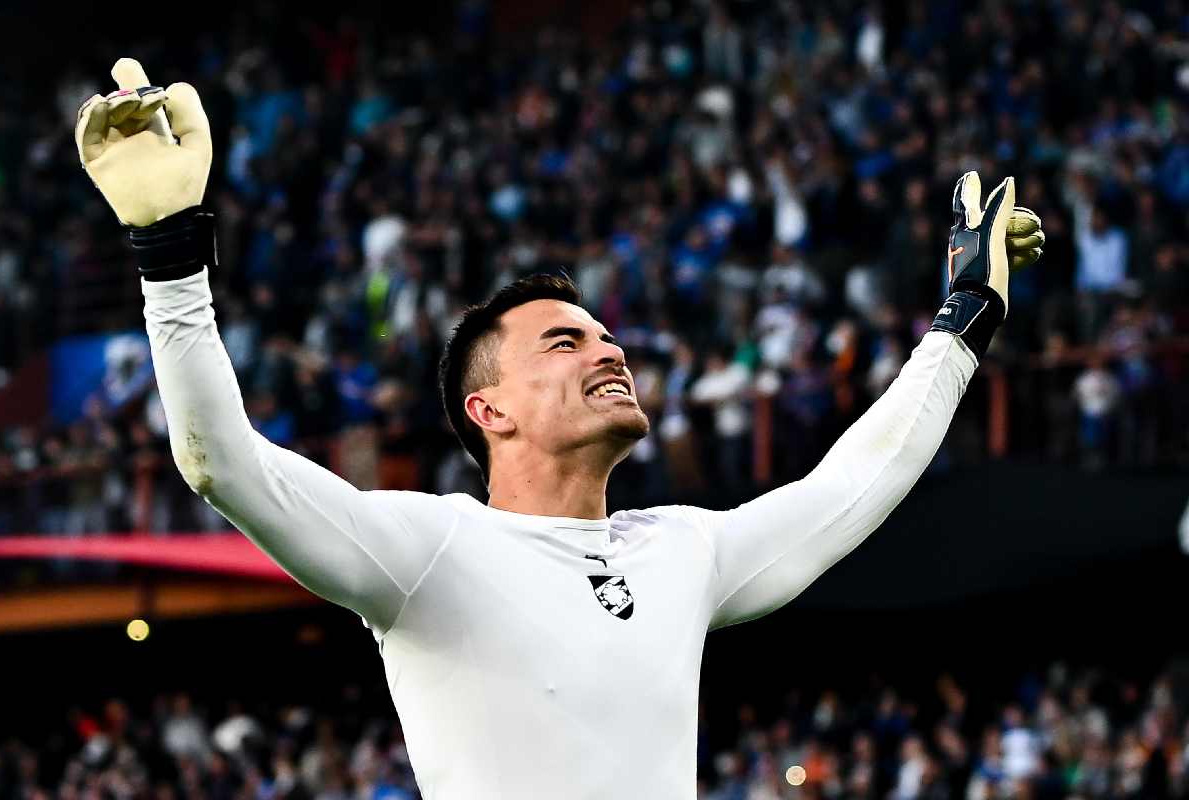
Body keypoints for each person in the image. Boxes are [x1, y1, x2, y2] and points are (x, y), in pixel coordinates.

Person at [75, 58, 1043, 799]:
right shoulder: (431, 553)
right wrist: (170, 258)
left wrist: (962, 322)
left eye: (607, 333)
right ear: (487, 409)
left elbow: (850, 487)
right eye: (564, 341)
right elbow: (222, 463)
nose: (607, 349)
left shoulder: (682, 550)